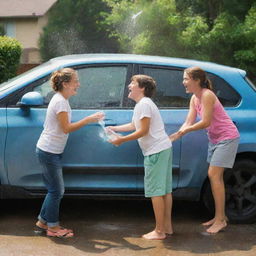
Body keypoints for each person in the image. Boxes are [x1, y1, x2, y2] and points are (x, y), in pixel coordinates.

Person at [169, 67, 239, 234]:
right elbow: (189, 120)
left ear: (197, 80)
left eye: (186, 79)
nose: (183, 82)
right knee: (215, 176)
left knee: (214, 175)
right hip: (215, 139)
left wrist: (187, 131)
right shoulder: (194, 98)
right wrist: (178, 134)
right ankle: (218, 216)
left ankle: (221, 220)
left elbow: (206, 122)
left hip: (227, 138)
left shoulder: (207, 95)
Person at [35, 68, 104, 238]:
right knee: (57, 191)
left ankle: (43, 222)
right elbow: (66, 128)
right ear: (65, 84)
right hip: (49, 151)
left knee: (53, 189)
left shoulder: (61, 100)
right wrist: (89, 119)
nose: (78, 85)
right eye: (75, 81)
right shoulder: (60, 102)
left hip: (50, 151)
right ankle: (53, 228)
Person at [109, 74, 173, 240]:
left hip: (155, 151)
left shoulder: (143, 105)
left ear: (142, 88)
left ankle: (159, 231)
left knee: (156, 191)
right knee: (165, 190)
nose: (129, 86)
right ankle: (167, 227)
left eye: (132, 83)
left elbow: (143, 130)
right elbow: (134, 125)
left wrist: (121, 140)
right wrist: (115, 129)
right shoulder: (144, 104)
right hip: (163, 148)